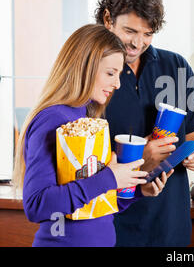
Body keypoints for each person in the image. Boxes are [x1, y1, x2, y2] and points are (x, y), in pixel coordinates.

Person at [12, 24, 171, 247]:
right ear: (84, 67)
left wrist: (136, 190)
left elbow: (94, 205)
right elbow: (37, 205)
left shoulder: (86, 116)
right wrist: (110, 178)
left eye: (118, 74)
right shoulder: (53, 118)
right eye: (110, 73)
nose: (117, 84)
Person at [95, 0, 194, 246]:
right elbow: (80, 169)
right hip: (113, 228)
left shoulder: (177, 67)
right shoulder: (92, 75)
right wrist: (142, 160)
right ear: (107, 18)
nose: (138, 43)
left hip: (170, 225)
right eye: (130, 31)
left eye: (148, 34)